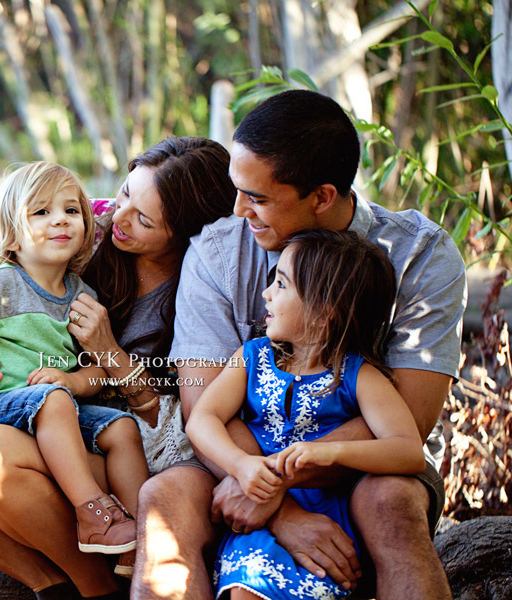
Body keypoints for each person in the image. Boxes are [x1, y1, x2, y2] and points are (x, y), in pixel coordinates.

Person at [0, 137, 236, 600]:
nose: (114, 218)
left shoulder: (203, 289)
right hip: (34, 416)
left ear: (183, 232)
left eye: (143, 219)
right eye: (123, 193)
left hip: (125, 449)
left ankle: (110, 569)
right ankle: (55, 584)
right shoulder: (81, 231)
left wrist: (105, 351)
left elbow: (174, 427)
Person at [133, 90, 465, 600]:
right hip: (236, 464)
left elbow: (411, 418)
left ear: (322, 196)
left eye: (259, 197)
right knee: (164, 498)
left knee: (391, 503)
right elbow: (205, 406)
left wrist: (288, 476)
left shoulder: (421, 254)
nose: (239, 209)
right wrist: (280, 507)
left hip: (363, 469)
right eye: (237, 190)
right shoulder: (217, 252)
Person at [186, 229, 426, 599]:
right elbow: (202, 419)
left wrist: (332, 452)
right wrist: (241, 466)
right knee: (247, 587)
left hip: (328, 519)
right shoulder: (252, 357)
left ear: (323, 313)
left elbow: (408, 451)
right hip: (257, 516)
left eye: (281, 285)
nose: (266, 293)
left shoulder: (358, 375)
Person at [0, 161, 146, 555]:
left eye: (70, 210)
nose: (60, 221)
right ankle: (94, 516)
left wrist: (72, 382)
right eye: (42, 212)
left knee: (122, 430)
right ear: (12, 234)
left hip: (57, 406)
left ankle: (143, 534)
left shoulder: (82, 293)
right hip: (1, 405)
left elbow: (95, 369)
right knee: (53, 399)